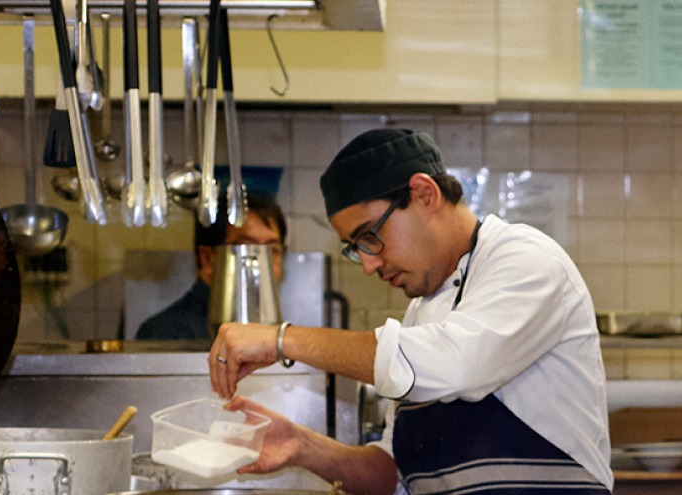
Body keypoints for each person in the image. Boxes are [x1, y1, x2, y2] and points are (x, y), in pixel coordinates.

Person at [206, 129, 612, 494]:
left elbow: (455, 365)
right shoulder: (420, 315)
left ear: (424, 194)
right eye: (355, 247)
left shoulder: (526, 261)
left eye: (370, 236)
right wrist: (303, 446)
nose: (368, 264)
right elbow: (394, 476)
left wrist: (282, 339)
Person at [137, 190, 288, 342]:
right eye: (246, 249)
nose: (263, 265)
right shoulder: (167, 334)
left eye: (273, 251)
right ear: (208, 259)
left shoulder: (275, 332)